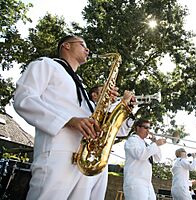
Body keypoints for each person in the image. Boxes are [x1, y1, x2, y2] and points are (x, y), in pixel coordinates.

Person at [13, 35, 135, 200]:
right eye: (82, 44)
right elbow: (24, 99)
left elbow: (100, 123)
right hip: (58, 152)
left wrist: (118, 106)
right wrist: (68, 120)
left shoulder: (82, 87)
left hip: (84, 157)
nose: (87, 49)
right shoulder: (45, 64)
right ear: (66, 46)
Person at [123, 119, 166, 200]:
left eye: (149, 128)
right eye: (146, 127)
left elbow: (158, 158)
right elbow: (140, 155)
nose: (148, 130)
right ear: (138, 128)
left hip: (147, 183)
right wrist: (155, 144)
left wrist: (155, 143)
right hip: (135, 182)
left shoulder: (145, 143)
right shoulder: (132, 140)